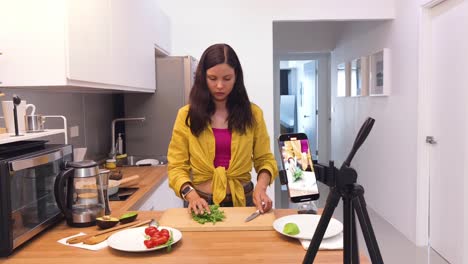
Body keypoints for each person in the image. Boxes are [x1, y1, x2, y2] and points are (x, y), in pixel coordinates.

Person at [167, 43, 278, 215]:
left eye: (227, 78)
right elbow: (176, 167)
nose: (219, 85)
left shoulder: (253, 114)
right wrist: (191, 196)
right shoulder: (186, 115)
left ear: (236, 78)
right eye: (212, 78)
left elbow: (265, 160)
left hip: (244, 199)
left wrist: (261, 188)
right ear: (203, 77)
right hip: (200, 202)